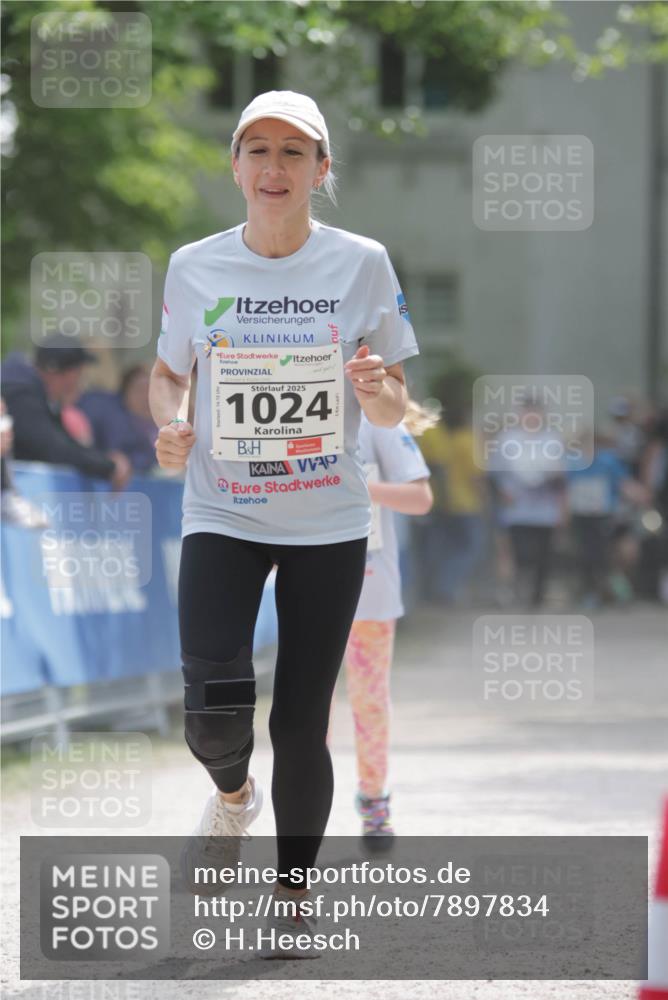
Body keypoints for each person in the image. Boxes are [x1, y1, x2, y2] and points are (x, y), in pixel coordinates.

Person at [148, 91, 418, 958]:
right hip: (222, 507)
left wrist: (378, 391)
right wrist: (170, 421)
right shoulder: (194, 266)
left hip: (328, 523)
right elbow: (166, 373)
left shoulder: (364, 262)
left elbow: (395, 409)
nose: (274, 168)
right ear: (235, 165)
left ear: (321, 171)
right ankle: (232, 797)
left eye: (294, 154)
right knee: (212, 708)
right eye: (257, 150)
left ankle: (294, 898)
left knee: (299, 720)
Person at [328, 406, 432, 848]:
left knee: (368, 702)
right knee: (305, 707)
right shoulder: (283, 414)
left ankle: (374, 801)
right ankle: (300, 807)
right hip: (303, 591)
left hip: (370, 588)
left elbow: (421, 498)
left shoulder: (379, 427)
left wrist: (360, 488)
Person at [1, 334, 132, 490]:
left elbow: (63, 441)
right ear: (68, 373)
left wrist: (105, 460)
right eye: (79, 372)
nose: (80, 381)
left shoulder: (35, 396)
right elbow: (55, 449)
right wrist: (109, 467)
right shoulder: (20, 395)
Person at [79, 364, 158, 473]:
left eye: (151, 390)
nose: (145, 397)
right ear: (124, 391)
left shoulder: (156, 426)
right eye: (140, 389)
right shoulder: (107, 412)